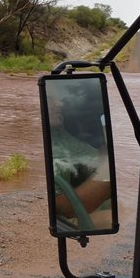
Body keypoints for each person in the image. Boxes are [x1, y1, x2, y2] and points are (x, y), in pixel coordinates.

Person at [47, 89, 112, 223]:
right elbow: (66, 208)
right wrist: (109, 168)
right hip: (73, 220)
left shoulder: (60, 135)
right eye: (50, 99)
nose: (60, 104)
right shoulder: (42, 149)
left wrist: (106, 155)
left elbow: (91, 154)